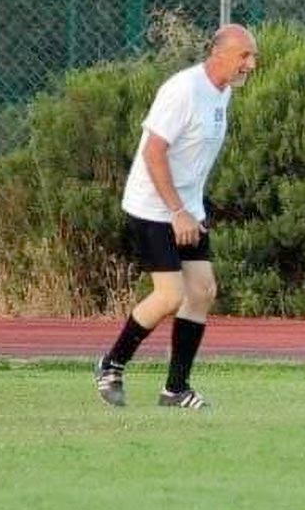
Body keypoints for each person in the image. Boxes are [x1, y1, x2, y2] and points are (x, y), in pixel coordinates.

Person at [94, 24, 258, 409]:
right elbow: (153, 152)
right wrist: (177, 211)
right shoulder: (182, 90)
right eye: (244, 56)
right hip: (154, 208)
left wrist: (190, 209)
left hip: (187, 209)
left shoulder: (222, 93)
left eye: (253, 58)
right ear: (218, 54)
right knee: (170, 295)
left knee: (202, 291)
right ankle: (110, 363)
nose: (250, 65)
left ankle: (175, 389)